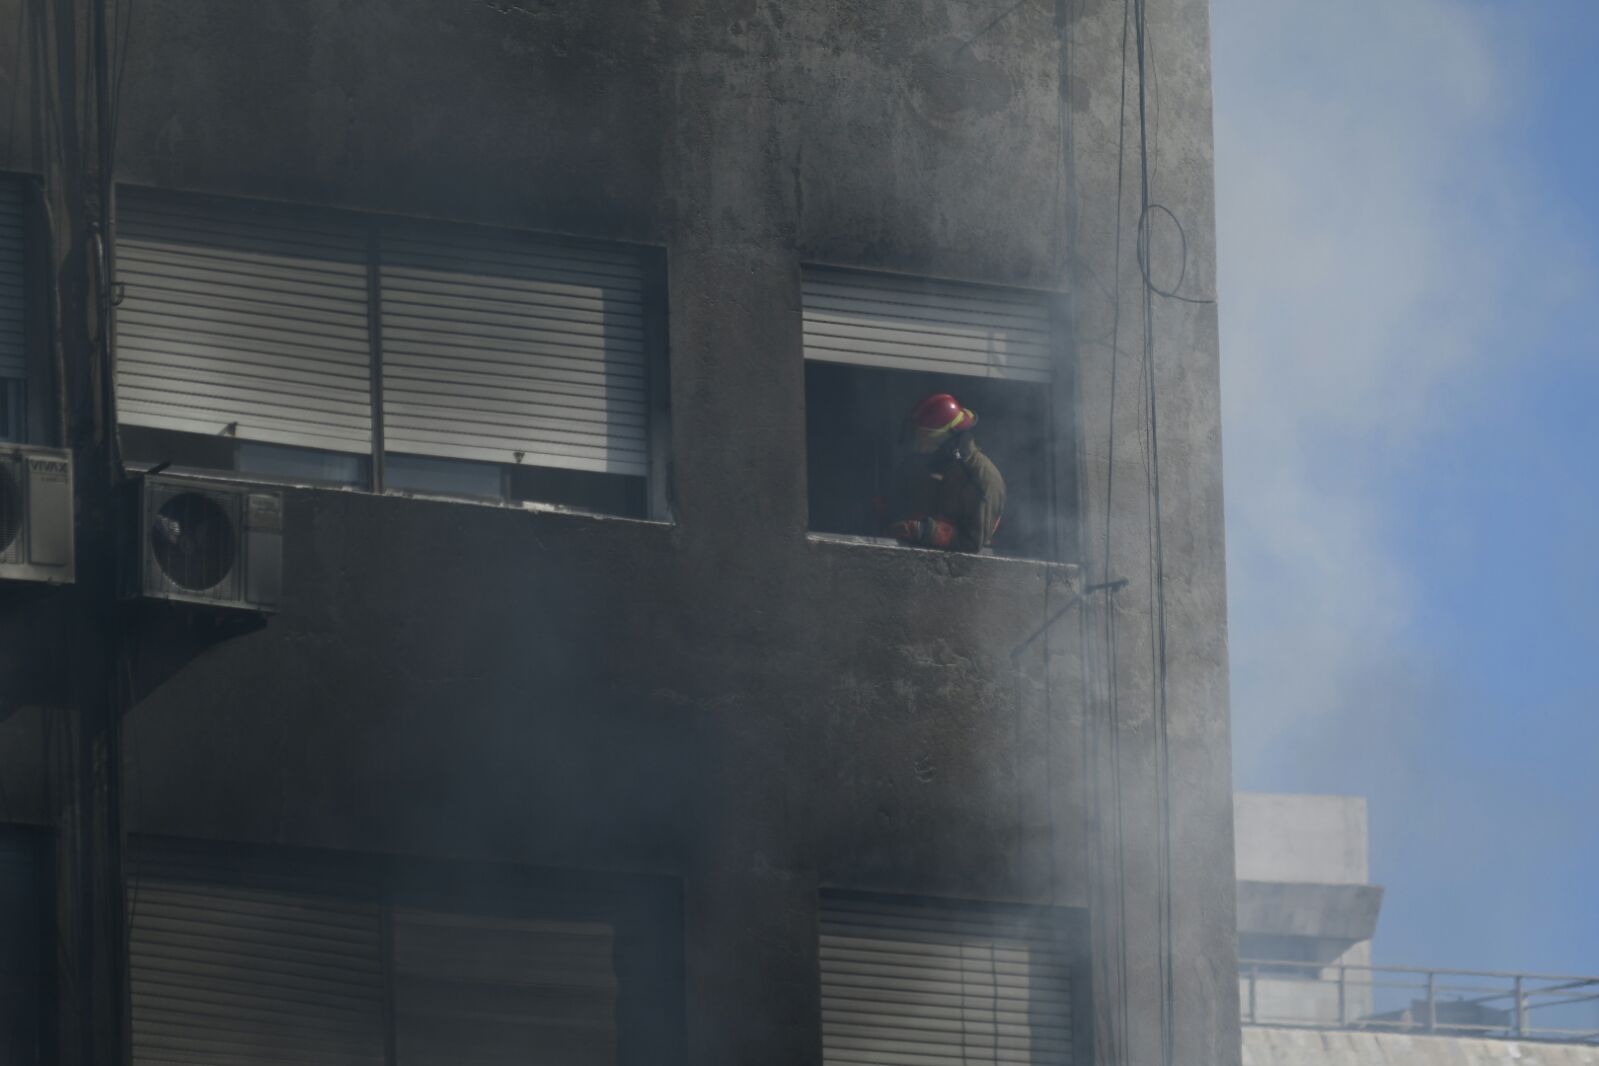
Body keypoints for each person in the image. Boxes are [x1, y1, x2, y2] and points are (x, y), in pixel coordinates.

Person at [885, 392, 1005, 553]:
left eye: (926, 440)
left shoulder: (982, 478)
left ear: (950, 442)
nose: (921, 448)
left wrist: (924, 531)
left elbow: (973, 542)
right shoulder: (934, 465)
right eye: (918, 438)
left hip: (961, 567)